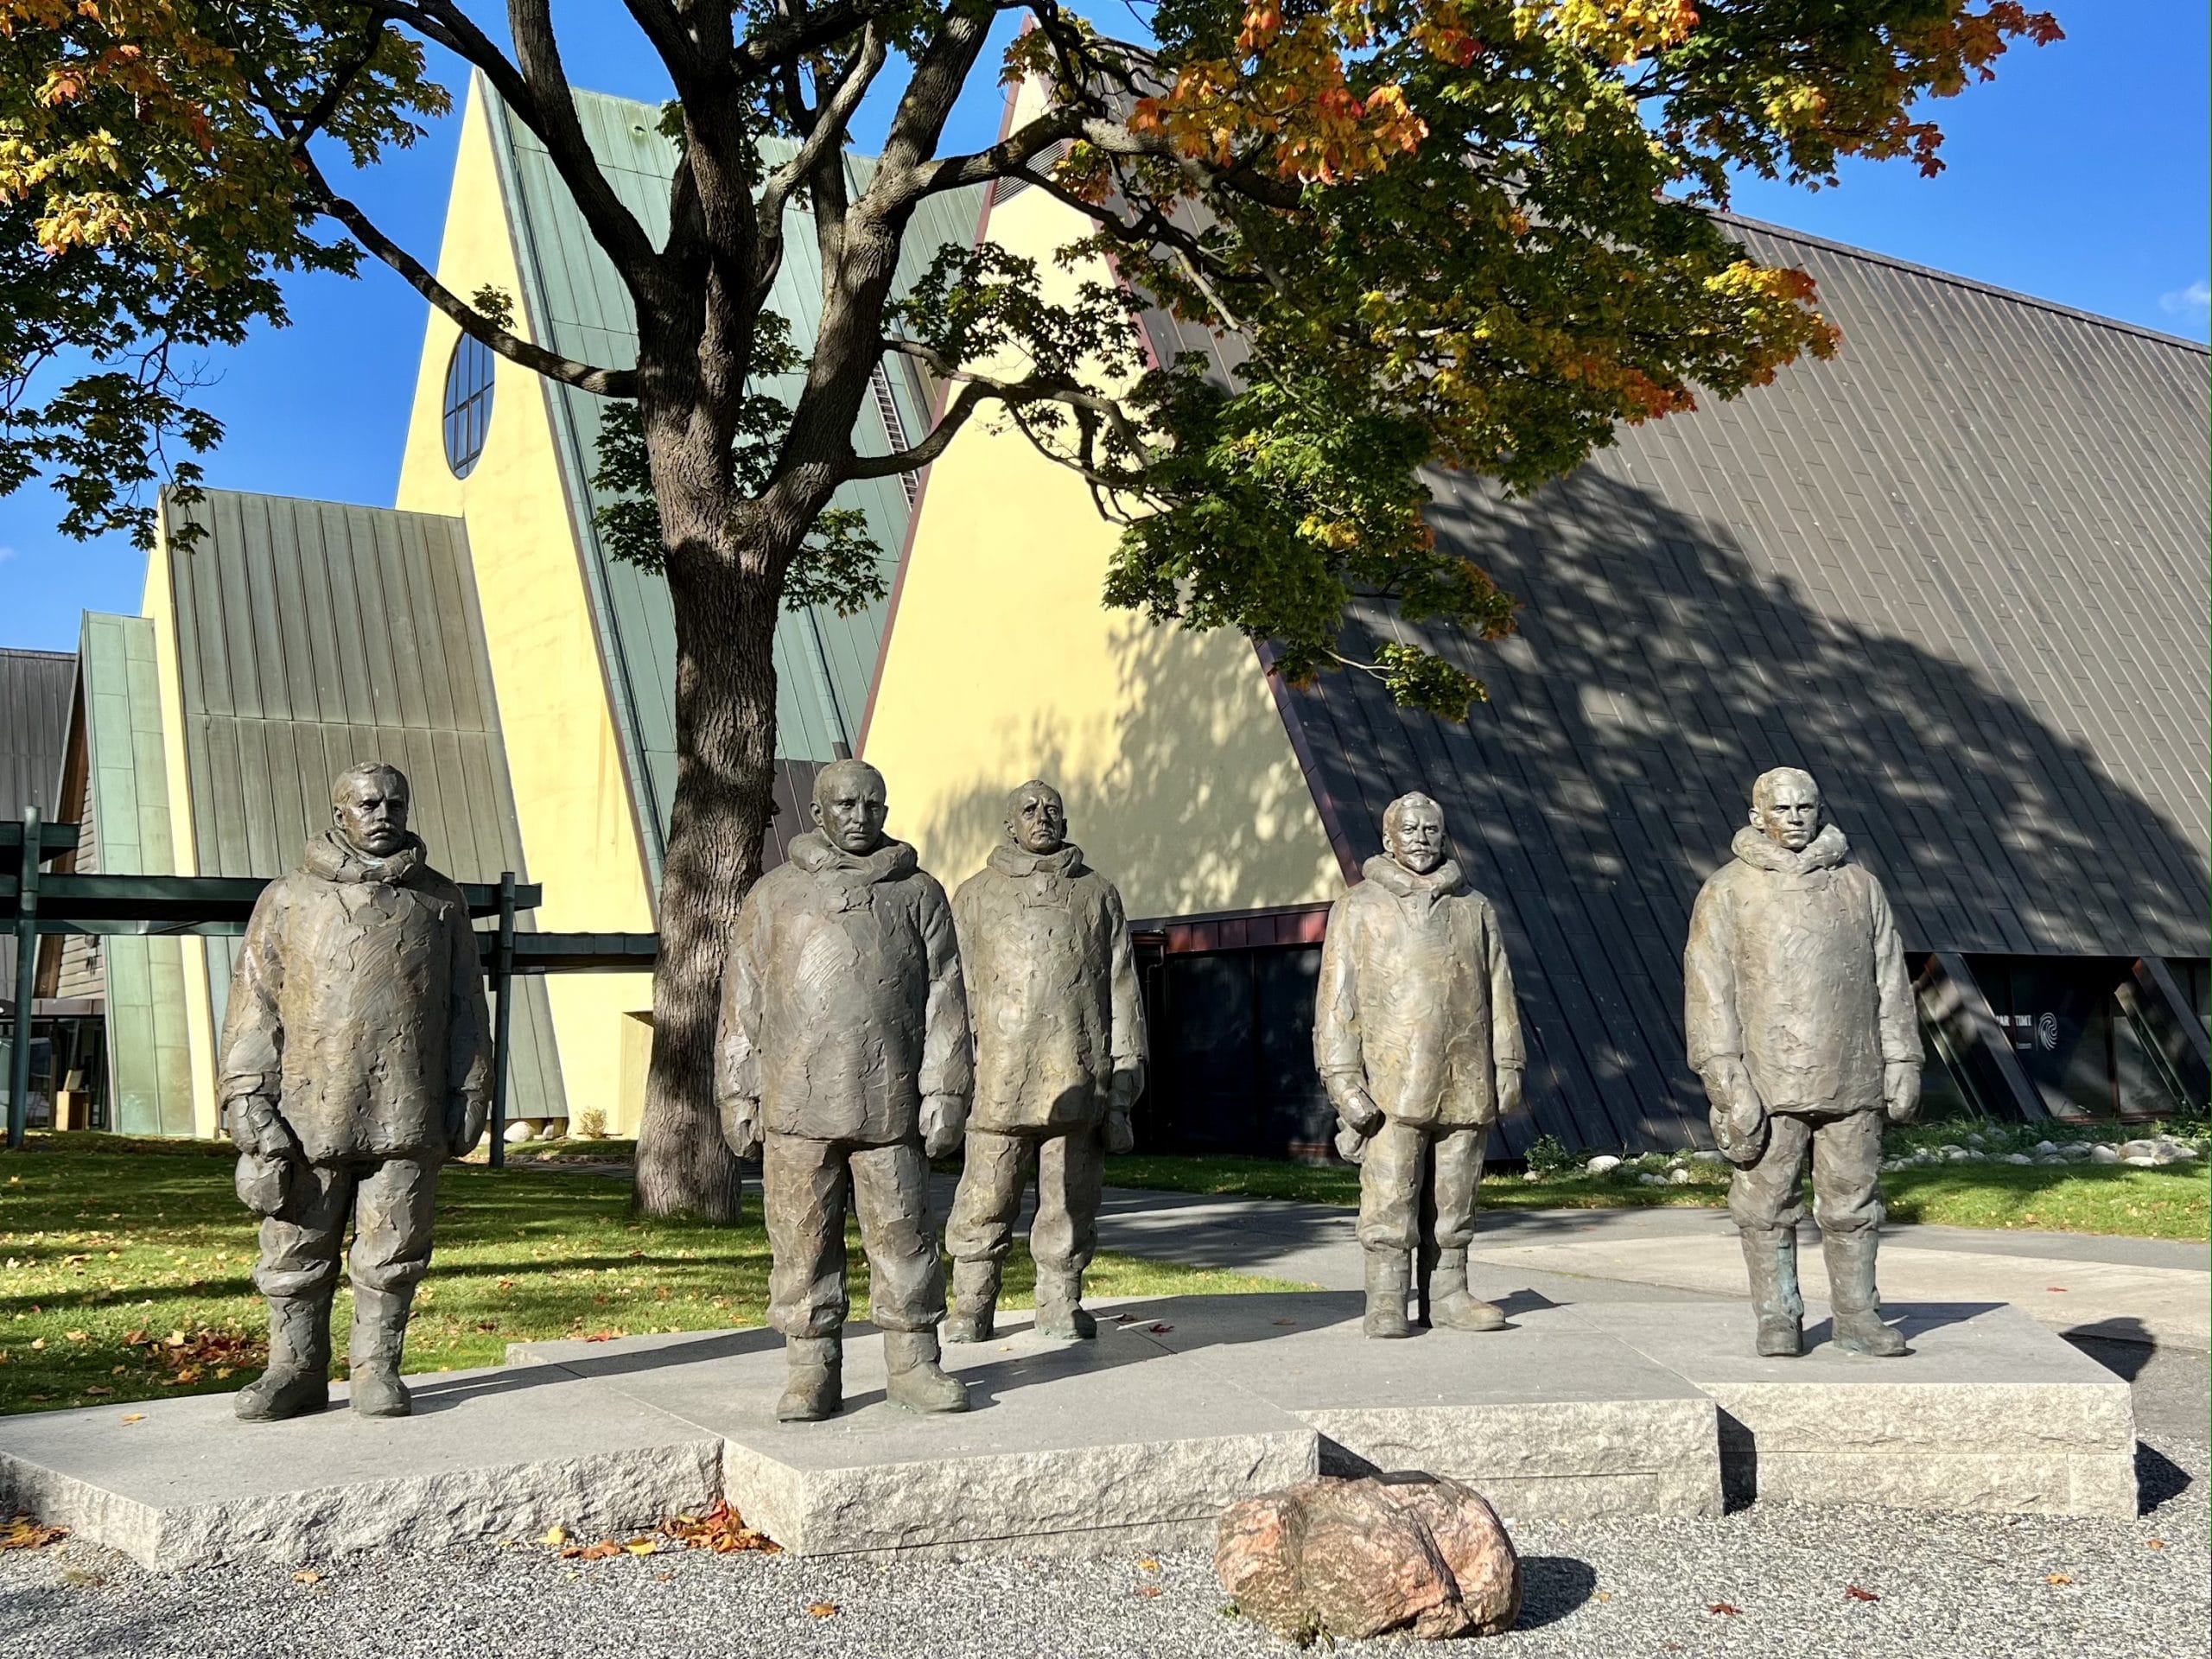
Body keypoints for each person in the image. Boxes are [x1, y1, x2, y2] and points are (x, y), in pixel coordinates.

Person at [221, 763, 492, 1421]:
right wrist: (247, 1097)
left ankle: (377, 1368)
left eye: (395, 803)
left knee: (393, 1247)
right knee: (294, 1248)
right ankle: (294, 1369)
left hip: (408, 1105)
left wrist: (472, 1087)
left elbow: (465, 1005)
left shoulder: (440, 901)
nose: (383, 814)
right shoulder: (287, 899)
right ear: (339, 811)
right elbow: (255, 1004)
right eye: (368, 803)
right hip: (309, 1113)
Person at [716, 760, 971, 1421]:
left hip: (889, 1102)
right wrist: (737, 1093)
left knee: (904, 1233)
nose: (861, 817)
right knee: (801, 1239)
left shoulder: (918, 893)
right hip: (796, 1105)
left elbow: (946, 996)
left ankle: (914, 1361)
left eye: (873, 805)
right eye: (847, 805)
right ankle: (811, 1368)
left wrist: (945, 1090)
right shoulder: (773, 895)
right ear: (820, 812)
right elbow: (742, 1001)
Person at [1685, 766, 1922, 1357]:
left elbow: (1890, 977)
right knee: (1766, 1204)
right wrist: (1723, 1071)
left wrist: (1903, 1058)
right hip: (1766, 1078)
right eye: (1782, 808)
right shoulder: (1726, 890)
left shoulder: (1860, 887)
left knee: (1853, 1200)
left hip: (1852, 1071)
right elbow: (1708, 988)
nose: (1794, 817)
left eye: (1805, 807)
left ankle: (1858, 1315)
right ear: (1756, 816)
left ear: (1820, 811)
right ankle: (1777, 1314)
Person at [944, 781, 1145, 1344]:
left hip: (1077, 1077)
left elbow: (1121, 990)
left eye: (1053, 809)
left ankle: (1060, 1300)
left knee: (1070, 1203)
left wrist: (1124, 1081)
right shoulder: (975, 895)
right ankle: (972, 1304)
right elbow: (950, 995)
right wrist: (947, 1081)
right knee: (984, 1199)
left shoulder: (1097, 894)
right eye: (1029, 810)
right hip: (998, 1082)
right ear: (1011, 823)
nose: (1043, 818)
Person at [1316, 792, 1524, 1338]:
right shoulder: (1357, 907)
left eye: (1431, 829)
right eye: (1409, 829)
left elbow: (1499, 987)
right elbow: (1337, 1003)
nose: (1421, 838)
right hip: (1391, 1083)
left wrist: (1509, 1064)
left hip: (1466, 1075)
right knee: (1390, 1196)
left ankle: (1449, 1292)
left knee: (1456, 1196)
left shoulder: (1474, 907)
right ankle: (1386, 1298)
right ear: (1388, 840)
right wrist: (1342, 1080)